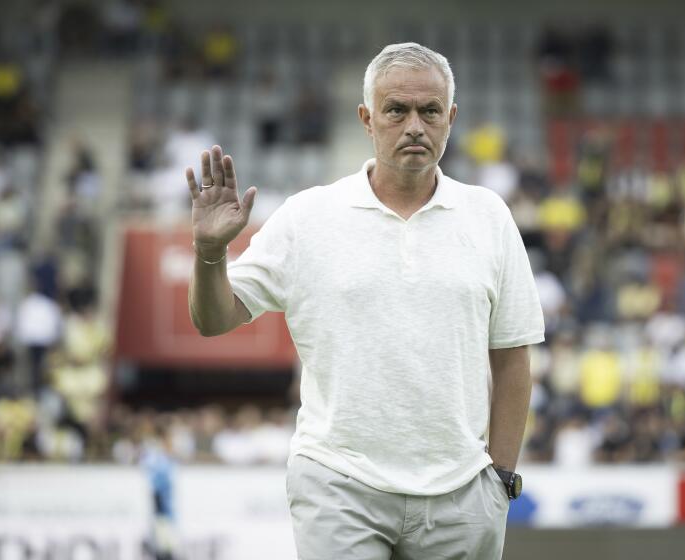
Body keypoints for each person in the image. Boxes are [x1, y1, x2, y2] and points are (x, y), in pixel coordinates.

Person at [186, 42, 545, 559]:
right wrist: (209, 252)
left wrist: (501, 480)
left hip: (461, 493)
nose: (414, 126)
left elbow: (513, 359)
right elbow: (214, 320)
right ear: (366, 118)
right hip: (338, 484)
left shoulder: (488, 217)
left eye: (430, 111)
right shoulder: (308, 216)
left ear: (452, 118)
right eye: (396, 110)